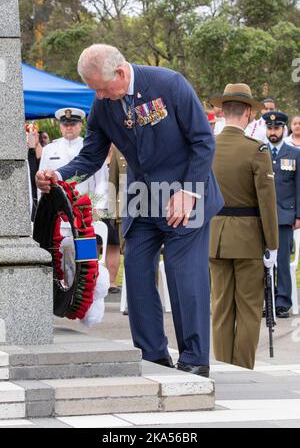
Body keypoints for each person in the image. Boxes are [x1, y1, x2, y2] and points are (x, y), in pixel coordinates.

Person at [36, 43, 224, 377]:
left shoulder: (170, 84)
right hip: (141, 198)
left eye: (103, 88)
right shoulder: (103, 103)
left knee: (185, 279)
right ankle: (153, 356)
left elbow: (202, 141)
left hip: (184, 193)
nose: (101, 97)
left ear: (121, 73)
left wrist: (189, 191)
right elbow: (91, 156)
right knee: (135, 274)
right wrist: (59, 175)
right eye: (95, 90)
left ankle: (194, 360)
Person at [209, 83, 279, 370]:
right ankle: (242, 368)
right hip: (248, 238)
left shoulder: (207, 147)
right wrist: (272, 245)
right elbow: (266, 202)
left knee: (221, 307)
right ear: (248, 113)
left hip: (214, 235)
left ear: (223, 111)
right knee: (249, 307)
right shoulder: (256, 150)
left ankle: (223, 367)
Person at [263, 111, 300, 318]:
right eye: (270, 128)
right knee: (262, 261)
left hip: (285, 216)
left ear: (283, 129)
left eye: (276, 128)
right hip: (262, 217)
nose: (273, 132)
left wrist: (299, 215)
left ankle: (283, 302)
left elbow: (298, 186)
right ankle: (266, 301)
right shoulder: (258, 152)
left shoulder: (295, 154)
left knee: (283, 261)